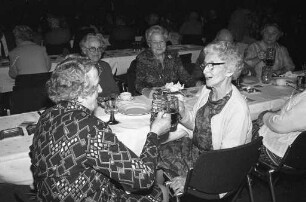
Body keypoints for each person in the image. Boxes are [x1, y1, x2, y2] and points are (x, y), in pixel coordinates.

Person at [30, 56, 171, 202]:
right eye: (96, 85)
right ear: (81, 90)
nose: (101, 89)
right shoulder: (88, 127)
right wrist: (154, 133)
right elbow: (144, 178)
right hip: (90, 197)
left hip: (48, 196)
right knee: (160, 191)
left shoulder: (47, 115)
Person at [158, 41, 252, 196]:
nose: (205, 70)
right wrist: (182, 112)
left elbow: (227, 160)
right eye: (205, 65)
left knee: (159, 153)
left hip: (213, 170)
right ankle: (159, 196)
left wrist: (189, 178)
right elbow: (196, 124)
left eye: (212, 65)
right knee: (156, 147)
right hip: (197, 153)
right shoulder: (207, 90)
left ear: (229, 70)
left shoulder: (237, 110)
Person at [135, 25, 196, 98]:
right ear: (149, 44)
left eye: (161, 41)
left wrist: (198, 84)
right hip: (153, 98)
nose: (159, 45)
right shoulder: (143, 58)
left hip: (173, 96)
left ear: (166, 42)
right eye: (155, 42)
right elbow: (138, 83)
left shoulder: (173, 56)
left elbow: (185, 76)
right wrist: (147, 91)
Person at [256, 90, 306, 166]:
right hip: (298, 147)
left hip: (288, 154)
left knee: (249, 129)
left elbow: (280, 125)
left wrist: (265, 116)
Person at [80, 33, 119, 98]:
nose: (97, 52)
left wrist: (113, 96)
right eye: (92, 48)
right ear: (84, 50)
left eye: (99, 48)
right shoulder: (79, 69)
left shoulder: (105, 66)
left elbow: (115, 90)